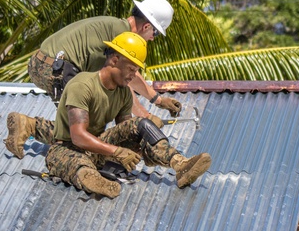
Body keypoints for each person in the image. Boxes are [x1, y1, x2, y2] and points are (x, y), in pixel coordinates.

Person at [4, 0, 184, 158]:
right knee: (82, 137)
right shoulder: (121, 35)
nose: (153, 38)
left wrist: (158, 100)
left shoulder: (116, 27)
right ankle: (27, 125)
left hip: (43, 64)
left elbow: (132, 74)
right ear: (146, 26)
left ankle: (29, 126)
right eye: (155, 33)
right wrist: (145, 116)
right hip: (55, 68)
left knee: (86, 133)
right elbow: (124, 84)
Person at [44, 32, 211, 198]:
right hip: (65, 149)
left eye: (136, 70)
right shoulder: (82, 85)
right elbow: (78, 136)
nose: (133, 75)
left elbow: (126, 130)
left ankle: (180, 165)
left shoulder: (123, 93)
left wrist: (140, 145)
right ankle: (96, 182)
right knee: (80, 167)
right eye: (131, 69)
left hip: (99, 149)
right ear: (115, 60)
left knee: (141, 124)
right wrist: (117, 152)